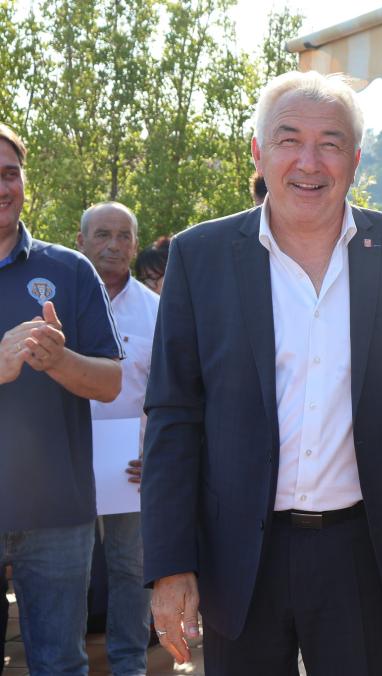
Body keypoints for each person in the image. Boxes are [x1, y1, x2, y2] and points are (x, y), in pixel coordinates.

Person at [141, 71, 382, 676]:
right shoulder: (200, 256)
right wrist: (169, 564)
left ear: (356, 159)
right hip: (240, 557)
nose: (309, 162)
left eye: (331, 143)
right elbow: (173, 415)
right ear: (259, 152)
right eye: (289, 140)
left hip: (368, 554)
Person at [0, 123, 123, 674]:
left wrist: (59, 361)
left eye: (10, 173)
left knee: (60, 665)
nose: (3, 187)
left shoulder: (70, 270)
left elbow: (111, 383)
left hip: (58, 515)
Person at [78, 202, 159, 676]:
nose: (113, 245)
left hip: (131, 465)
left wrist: (156, 453)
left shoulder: (156, 311)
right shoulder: (60, 301)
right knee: (65, 569)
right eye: (102, 234)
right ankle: (65, 661)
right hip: (64, 460)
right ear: (80, 240)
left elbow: (171, 395)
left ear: (135, 243)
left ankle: (129, 664)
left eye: (124, 235)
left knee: (132, 568)